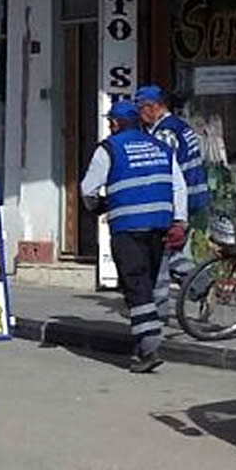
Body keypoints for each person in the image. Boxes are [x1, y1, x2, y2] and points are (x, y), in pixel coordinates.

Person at [80, 96, 186, 373]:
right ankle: (145, 343)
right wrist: (179, 221)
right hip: (160, 226)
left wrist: (98, 207)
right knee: (147, 285)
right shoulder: (161, 147)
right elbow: (178, 187)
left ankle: (148, 348)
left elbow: (88, 189)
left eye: (111, 123)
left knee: (136, 287)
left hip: (128, 228)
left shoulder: (109, 148)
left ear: (115, 124)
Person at [136, 84, 210, 308]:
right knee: (172, 253)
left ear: (153, 107)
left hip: (178, 202)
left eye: (140, 109)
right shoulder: (181, 126)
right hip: (194, 197)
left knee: (160, 255)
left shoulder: (165, 134)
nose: (139, 115)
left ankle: (159, 309)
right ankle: (202, 284)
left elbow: (164, 170)